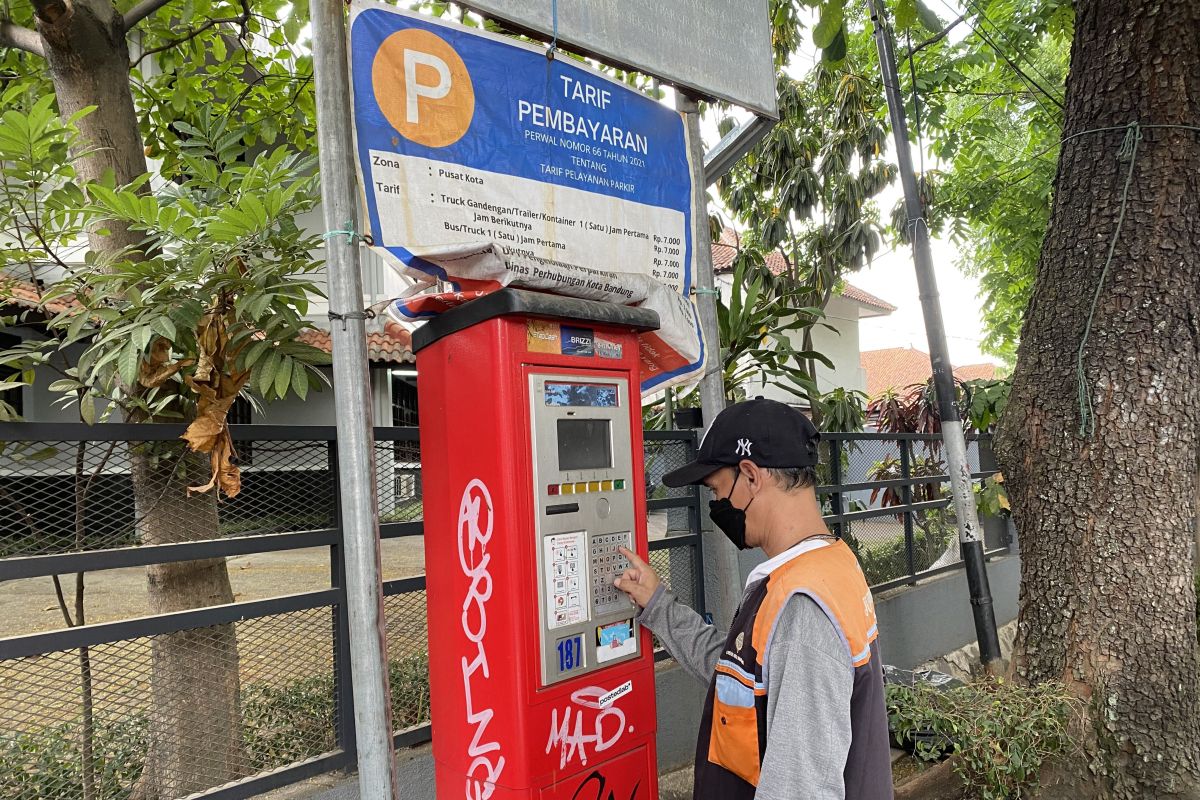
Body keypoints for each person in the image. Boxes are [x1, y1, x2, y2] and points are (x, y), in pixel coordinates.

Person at [614, 398, 893, 800]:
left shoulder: (803, 605)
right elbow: (741, 681)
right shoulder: (828, 565)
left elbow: (799, 787)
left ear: (750, 475)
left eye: (716, 489)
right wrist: (656, 602)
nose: (717, 505)